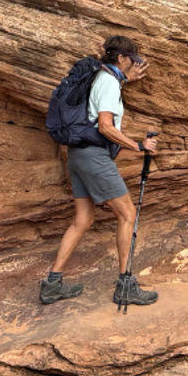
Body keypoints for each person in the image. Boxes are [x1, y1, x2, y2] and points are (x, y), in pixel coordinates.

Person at [42, 36, 161, 309]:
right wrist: (138, 146)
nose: (135, 65)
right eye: (133, 60)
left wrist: (126, 80)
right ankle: (125, 285)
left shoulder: (103, 78)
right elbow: (106, 126)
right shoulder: (108, 82)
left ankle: (52, 283)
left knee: (83, 219)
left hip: (77, 155)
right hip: (94, 157)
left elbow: (99, 107)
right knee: (127, 214)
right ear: (121, 58)